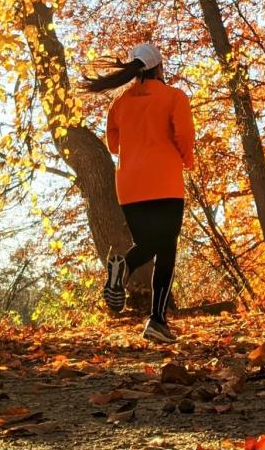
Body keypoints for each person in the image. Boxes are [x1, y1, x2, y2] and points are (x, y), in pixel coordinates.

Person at [82, 41, 195, 343]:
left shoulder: (119, 103)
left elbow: (113, 145)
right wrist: (187, 158)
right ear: (159, 67)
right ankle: (157, 320)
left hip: (130, 186)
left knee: (147, 242)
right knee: (166, 247)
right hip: (166, 183)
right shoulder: (174, 97)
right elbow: (184, 135)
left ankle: (123, 269)